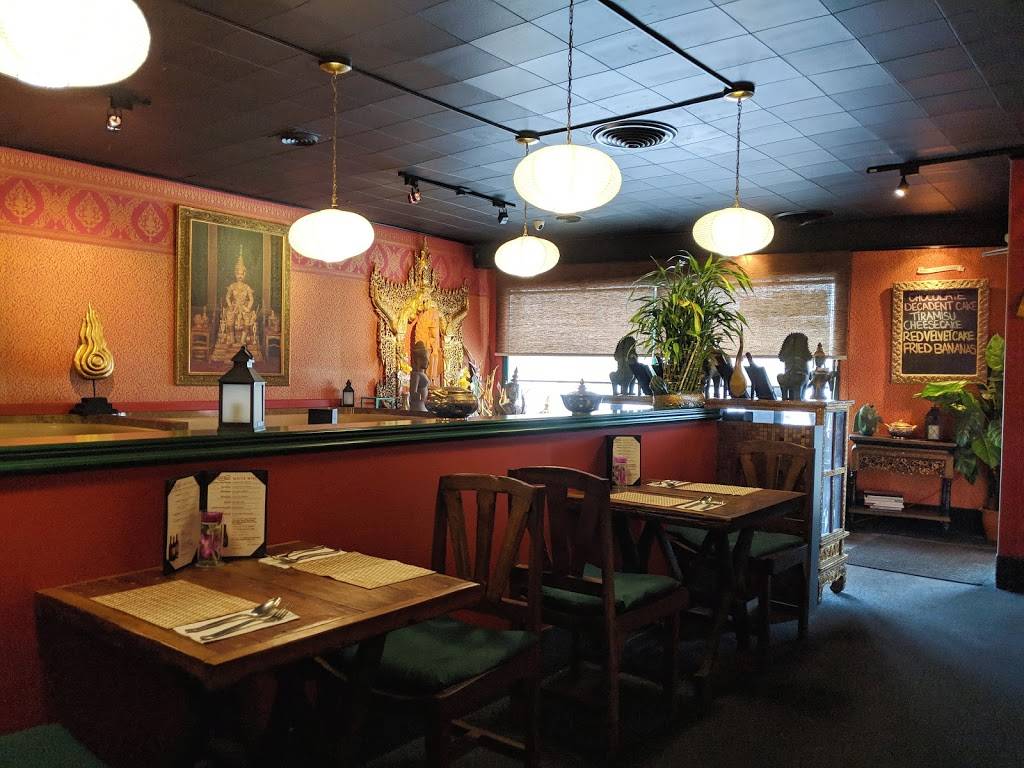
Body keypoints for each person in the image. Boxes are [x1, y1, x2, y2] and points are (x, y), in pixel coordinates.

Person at [212, 251, 261, 362]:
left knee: (247, 318)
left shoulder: (247, 287)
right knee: (230, 317)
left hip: (243, 307)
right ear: (235, 274)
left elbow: (251, 299)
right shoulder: (232, 286)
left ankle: (243, 340)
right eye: (238, 273)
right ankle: (232, 338)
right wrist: (230, 305)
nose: (240, 276)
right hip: (234, 306)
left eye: (241, 274)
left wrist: (248, 307)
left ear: (244, 274)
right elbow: (228, 297)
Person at [409, 341, 430, 412]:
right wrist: (419, 396)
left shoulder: (423, 374)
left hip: (423, 406)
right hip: (418, 406)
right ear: (418, 360)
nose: (428, 362)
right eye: (425, 359)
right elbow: (412, 392)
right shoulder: (416, 375)